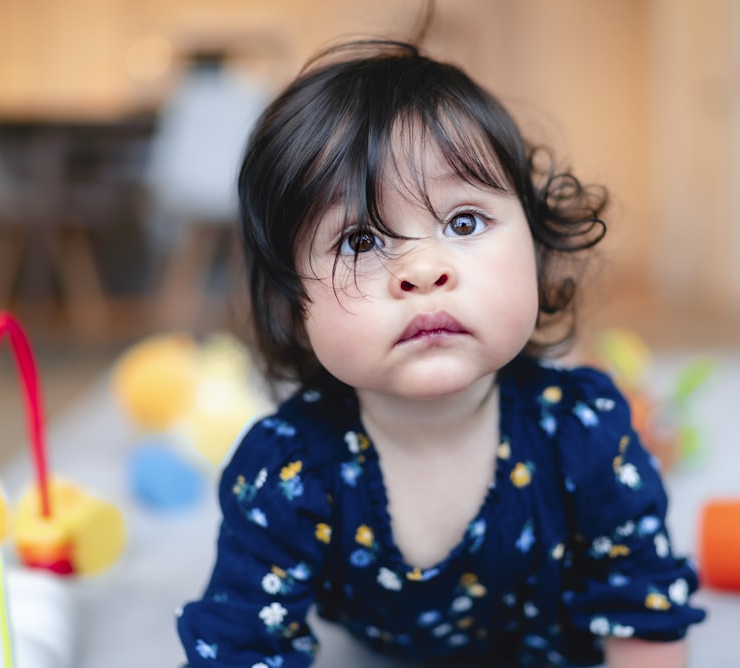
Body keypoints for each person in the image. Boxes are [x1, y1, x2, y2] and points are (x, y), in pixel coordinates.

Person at [177, 39, 705, 668]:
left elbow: (642, 602)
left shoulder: (581, 429)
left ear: (535, 252)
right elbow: (239, 643)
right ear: (293, 307)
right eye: (360, 238)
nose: (423, 269)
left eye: (463, 223)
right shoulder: (289, 473)